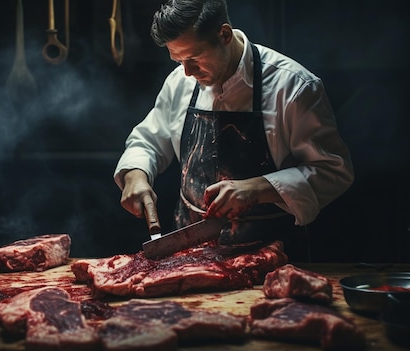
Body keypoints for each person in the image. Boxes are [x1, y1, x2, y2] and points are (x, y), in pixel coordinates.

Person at [113, 0, 354, 261]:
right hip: (189, 257)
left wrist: (257, 188)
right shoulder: (180, 82)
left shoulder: (293, 87)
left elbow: (333, 171)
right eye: (178, 59)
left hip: (272, 258)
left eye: (194, 58)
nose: (187, 71)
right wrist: (136, 174)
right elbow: (148, 141)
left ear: (224, 35)